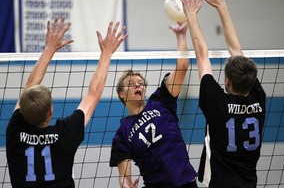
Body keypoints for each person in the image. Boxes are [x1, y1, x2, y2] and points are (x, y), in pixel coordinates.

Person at [6, 17, 128, 187]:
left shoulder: (14, 130)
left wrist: (48, 49)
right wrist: (106, 53)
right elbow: (94, 93)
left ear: (24, 112)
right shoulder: (65, 134)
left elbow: (29, 86)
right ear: (50, 112)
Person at [177, 0, 266, 188]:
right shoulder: (258, 100)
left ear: (226, 81)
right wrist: (222, 7)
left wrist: (191, 16)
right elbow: (234, 52)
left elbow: (201, 54)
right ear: (251, 80)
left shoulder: (219, 105)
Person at [109, 22, 198, 188]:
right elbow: (124, 176)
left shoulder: (160, 100)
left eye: (140, 83)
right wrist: (127, 186)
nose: (138, 85)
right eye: (131, 83)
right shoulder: (122, 133)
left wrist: (181, 36)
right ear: (121, 94)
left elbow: (183, 66)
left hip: (185, 183)